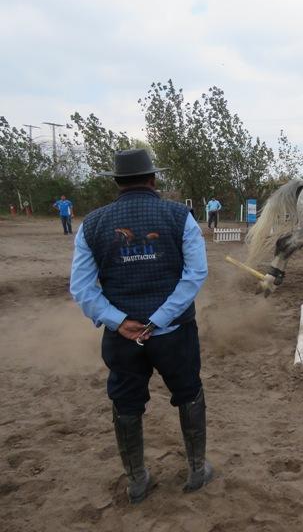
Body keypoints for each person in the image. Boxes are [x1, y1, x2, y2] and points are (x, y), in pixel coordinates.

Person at [69, 148, 213, 504]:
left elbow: (82, 288)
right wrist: (160, 318)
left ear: (117, 183)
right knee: (189, 393)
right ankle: (196, 469)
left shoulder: (92, 223)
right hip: (174, 332)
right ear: (153, 179)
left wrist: (120, 322)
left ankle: (136, 479)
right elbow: (195, 274)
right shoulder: (181, 216)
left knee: (126, 403)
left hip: (121, 338)